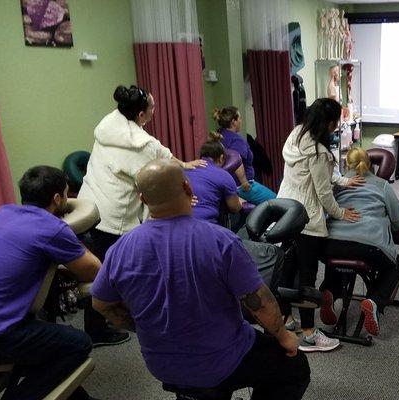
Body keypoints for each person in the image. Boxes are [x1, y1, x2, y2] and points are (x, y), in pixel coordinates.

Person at [91, 159, 310, 400]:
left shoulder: (120, 249)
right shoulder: (220, 241)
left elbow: (101, 304)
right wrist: (283, 336)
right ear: (188, 188)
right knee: (294, 368)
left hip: (161, 365)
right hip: (222, 361)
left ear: (142, 199)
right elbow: (258, 301)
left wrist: (143, 327)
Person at [78, 85, 206, 345]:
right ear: (140, 115)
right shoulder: (140, 145)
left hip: (89, 202)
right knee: (109, 274)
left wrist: (182, 163)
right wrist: (180, 198)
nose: (155, 111)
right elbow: (152, 182)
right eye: (152, 108)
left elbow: (159, 151)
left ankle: (107, 320)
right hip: (112, 215)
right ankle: (99, 330)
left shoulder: (111, 124)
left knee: (101, 271)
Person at [0, 166, 100, 400]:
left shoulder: (1, 213)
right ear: (57, 198)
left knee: (48, 343)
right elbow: (94, 271)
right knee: (78, 344)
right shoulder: (52, 228)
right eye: (67, 193)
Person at [277, 98, 362, 352]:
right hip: (306, 218)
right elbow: (323, 192)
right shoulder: (319, 153)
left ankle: (286, 318)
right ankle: (310, 334)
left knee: (286, 268)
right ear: (330, 123)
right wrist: (340, 213)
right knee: (307, 276)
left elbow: (318, 172)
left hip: (285, 210)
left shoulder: (297, 135)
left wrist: (343, 181)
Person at [321, 147, 399, 336]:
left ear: (346, 164)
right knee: (395, 267)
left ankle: (329, 291)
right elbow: (398, 220)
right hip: (368, 245)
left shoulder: (338, 184)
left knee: (336, 256)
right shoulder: (382, 185)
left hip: (330, 244)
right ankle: (374, 301)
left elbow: (327, 208)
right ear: (370, 164)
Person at [213, 106, 276, 205]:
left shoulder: (219, 135)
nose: (241, 120)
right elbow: (237, 163)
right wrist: (244, 183)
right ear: (234, 121)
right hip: (241, 187)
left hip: (225, 185)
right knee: (277, 201)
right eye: (240, 118)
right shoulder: (236, 140)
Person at [185, 133, 242, 224]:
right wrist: (240, 201)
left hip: (176, 225)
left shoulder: (183, 170)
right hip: (205, 226)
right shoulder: (224, 175)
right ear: (221, 158)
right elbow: (235, 208)